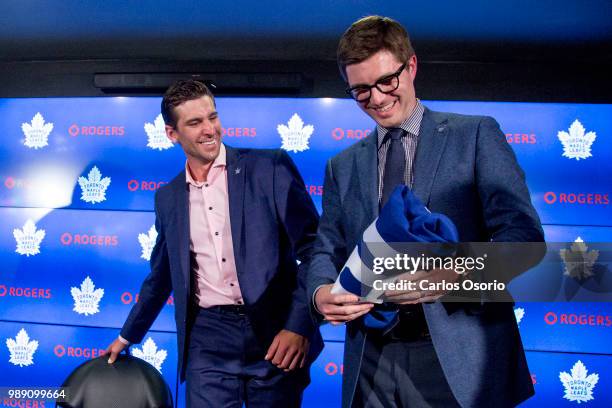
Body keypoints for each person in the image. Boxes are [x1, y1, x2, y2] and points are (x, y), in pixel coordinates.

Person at [308, 16, 544, 408]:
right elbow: (326, 249)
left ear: (411, 66)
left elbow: (524, 240)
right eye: (361, 91)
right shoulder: (341, 165)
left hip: (460, 358)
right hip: (371, 360)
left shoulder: (476, 135)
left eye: (387, 81)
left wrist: (459, 275)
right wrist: (319, 295)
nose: (378, 99)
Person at [105, 79, 323, 407]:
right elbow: (162, 274)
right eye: (195, 123)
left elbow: (314, 249)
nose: (210, 129)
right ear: (171, 133)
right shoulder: (168, 197)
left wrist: (299, 325)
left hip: (275, 332)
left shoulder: (270, 168)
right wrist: (127, 335)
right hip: (208, 338)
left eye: (212, 117)